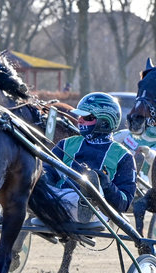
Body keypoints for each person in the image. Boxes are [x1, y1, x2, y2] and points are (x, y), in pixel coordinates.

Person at [40, 92, 137, 223]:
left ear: (104, 122)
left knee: (84, 194)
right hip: (58, 199)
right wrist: (43, 177)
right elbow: (48, 169)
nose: (79, 120)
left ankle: (87, 201)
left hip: (98, 210)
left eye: (86, 118)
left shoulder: (123, 156)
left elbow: (124, 203)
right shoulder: (66, 144)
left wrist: (107, 185)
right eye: (80, 115)